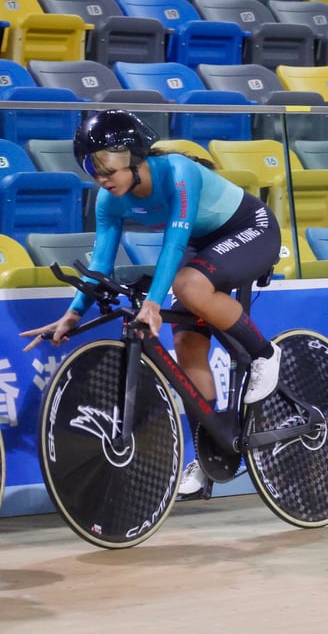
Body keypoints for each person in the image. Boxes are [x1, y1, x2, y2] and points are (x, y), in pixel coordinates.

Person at [20, 109, 283, 496]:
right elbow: (100, 264)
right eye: (92, 168)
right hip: (201, 242)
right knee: (187, 343)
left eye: (108, 167)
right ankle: (211, 454)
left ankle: (264, 354)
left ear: (135, 156)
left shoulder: (178, 172)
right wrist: (73, 313)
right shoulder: (109, 201)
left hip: (250, 228)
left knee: (189, 287)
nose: (102, 178)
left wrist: (154, 303)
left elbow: (173, 245)